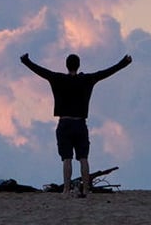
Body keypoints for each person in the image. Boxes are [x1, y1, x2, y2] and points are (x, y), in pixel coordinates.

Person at [19, 51, 132, 196]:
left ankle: (66, 190)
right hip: (80, 124)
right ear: (78, 66)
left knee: (67, 158)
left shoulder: (57, 78)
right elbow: (107, 72)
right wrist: (124, 63)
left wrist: (26, 61)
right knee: (83, 158)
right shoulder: (87, 79)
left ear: (66, 66)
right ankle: (86, 190)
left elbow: (40, 71)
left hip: (64, 123)